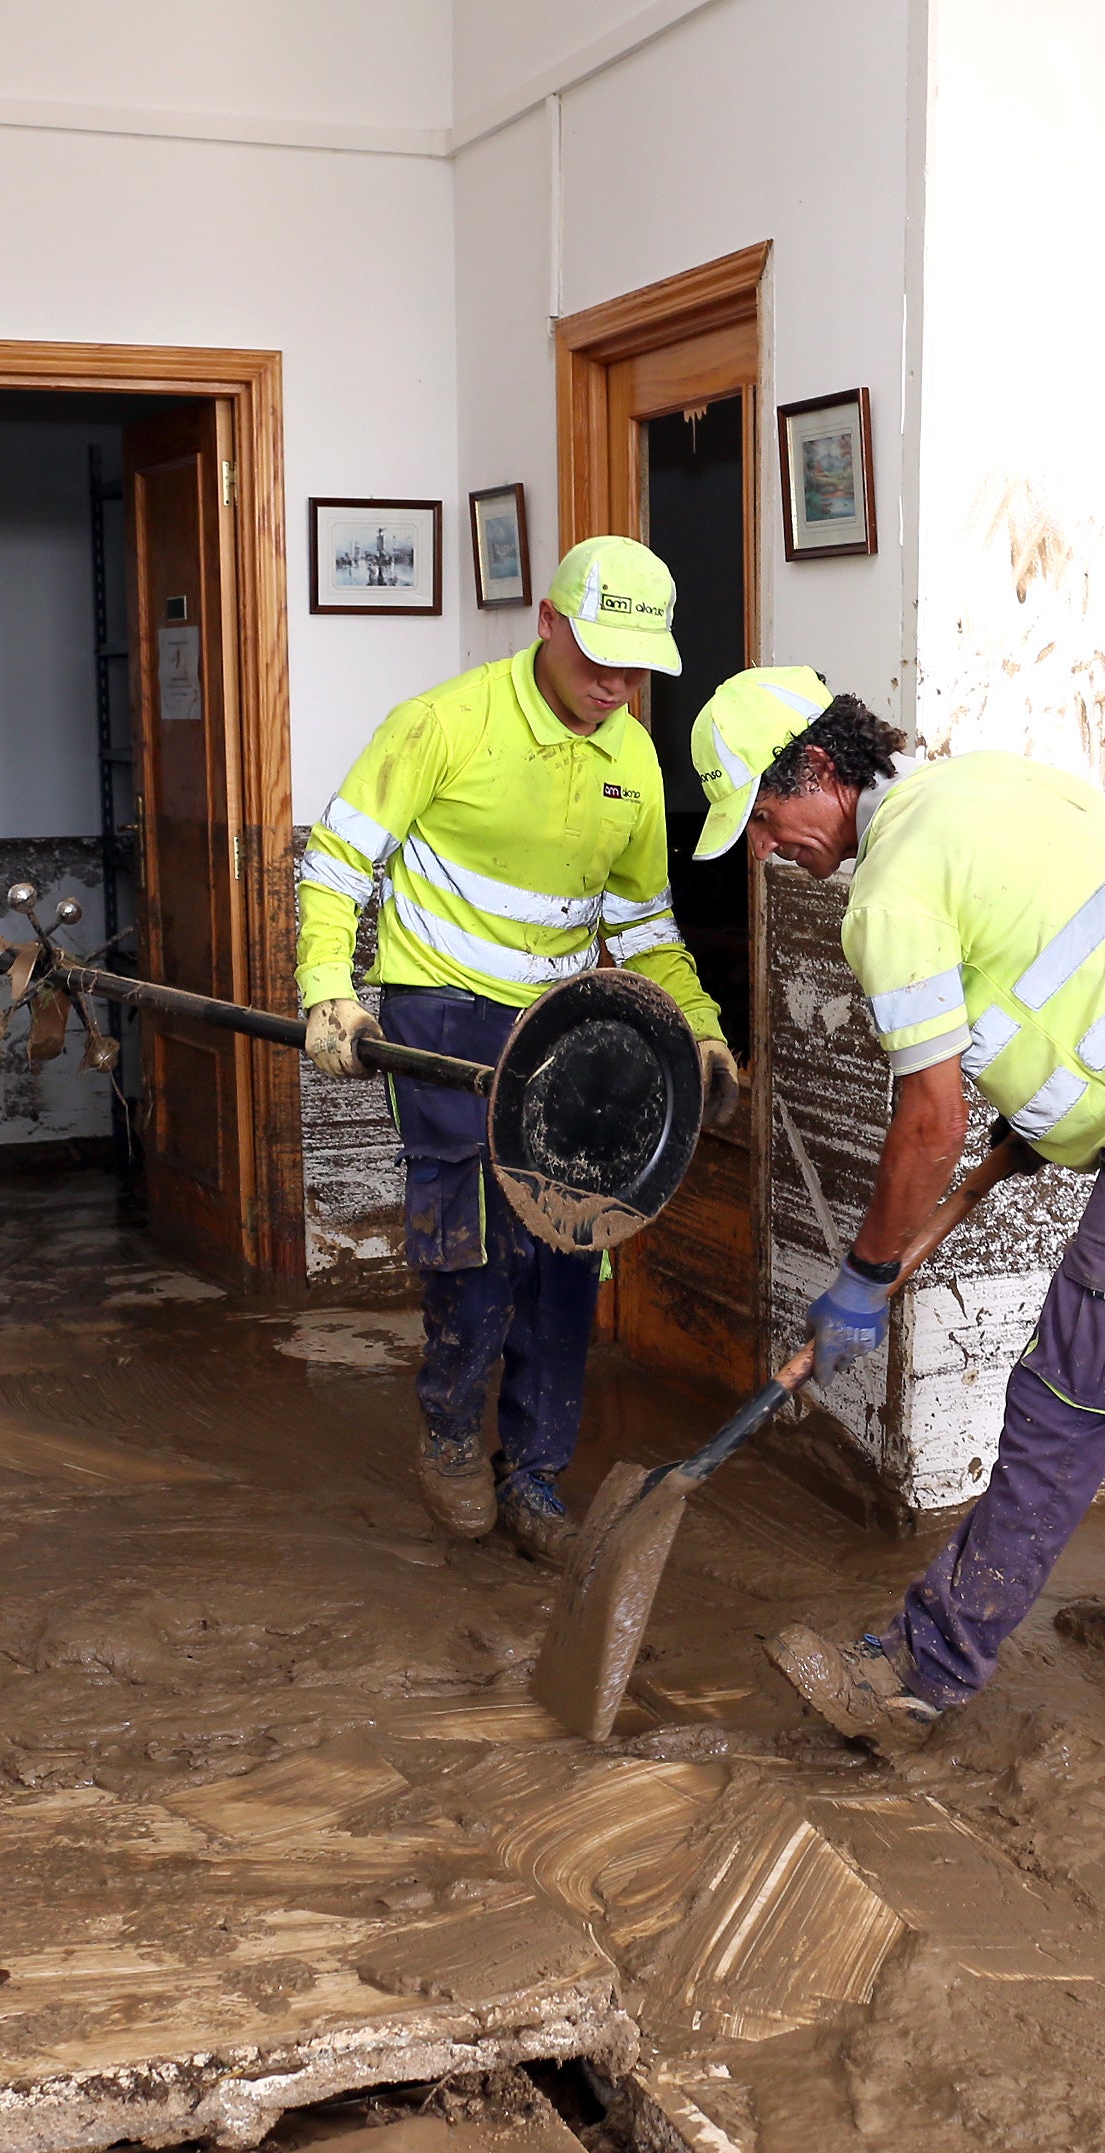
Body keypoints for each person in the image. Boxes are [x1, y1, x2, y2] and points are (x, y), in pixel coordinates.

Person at [683, 668, 1105, 1751]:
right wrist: (1048, 1117)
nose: (762, 846)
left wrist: (864, 1277)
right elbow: (1075, 957)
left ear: (824, 775)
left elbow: (928, 1120)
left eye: (763, 815)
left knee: (1063, 1404)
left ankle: (920, 1674)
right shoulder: (987, 784)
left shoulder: (888, 894)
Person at [294, 536, 741, 1563]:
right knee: (477, 1243)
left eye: (637, 671)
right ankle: (452, 1435)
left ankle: (535, 1472)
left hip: (562, 1031)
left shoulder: (630, 751)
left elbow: (641, 929)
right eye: (598, 660)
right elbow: (339, 864)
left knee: (569, 1243)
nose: (615, 687)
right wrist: (328, 992)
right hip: (440, 1016)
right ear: (546, 622)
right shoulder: (442, 725)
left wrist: (703, 1026)